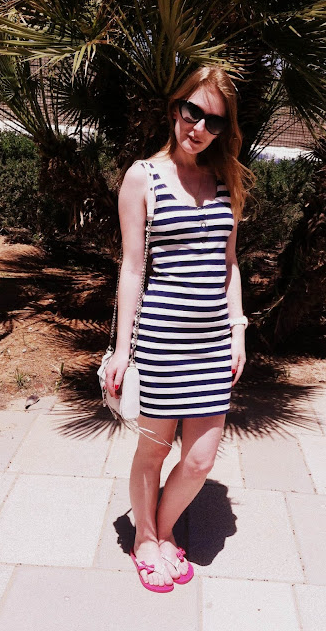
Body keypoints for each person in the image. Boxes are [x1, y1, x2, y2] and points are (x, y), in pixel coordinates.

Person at [105, 65, 253, 593]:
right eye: (193, 112)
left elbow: (229, 264)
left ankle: (165, 528)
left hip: (213, 344)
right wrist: (122, 350)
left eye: (215, 120)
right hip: (161, 341)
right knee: (154, 451)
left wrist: (238, 330)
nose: (200, 127)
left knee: (200, 459)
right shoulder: (142, 176)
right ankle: (146, 539)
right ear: (176, 108)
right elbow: (132, 268)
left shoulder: (225, 180)